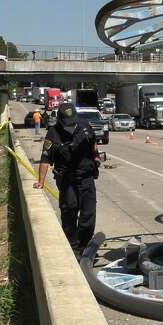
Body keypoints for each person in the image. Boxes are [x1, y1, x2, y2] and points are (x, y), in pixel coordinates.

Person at [34, 103, 100, 256]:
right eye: (67, 122)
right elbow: (45, 159)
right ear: (60, 120)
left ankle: (84, 248)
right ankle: (72, 248)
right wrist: (41, 181)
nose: (71, 124)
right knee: (69, 211)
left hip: (86, 178)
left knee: (88, 215)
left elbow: (93, 142)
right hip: (67, 180)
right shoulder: (53, 134)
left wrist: (96, 157)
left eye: (73, 121)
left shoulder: (84, 126)